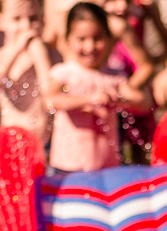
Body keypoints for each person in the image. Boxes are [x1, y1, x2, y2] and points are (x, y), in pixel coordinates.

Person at [46, 2, 148, 173]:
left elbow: (143, 102)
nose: (90, 46)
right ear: (68, 39)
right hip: (67, 169)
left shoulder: (114, 77)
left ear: (109, 39)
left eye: (98, 38)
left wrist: (120, 99)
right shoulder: (64, 73)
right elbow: (49, 100)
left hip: (108, 168)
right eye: (81, 39)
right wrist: (87, 99)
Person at [0, 0, 54, 147]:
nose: (26, 26)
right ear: (0, 21)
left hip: (46, 144)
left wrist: (40, 55)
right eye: (17, 19)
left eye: (33, 18)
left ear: (42, 20)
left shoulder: (50, 55)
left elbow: (50, 93)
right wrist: (16, 50)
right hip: (11, 141)